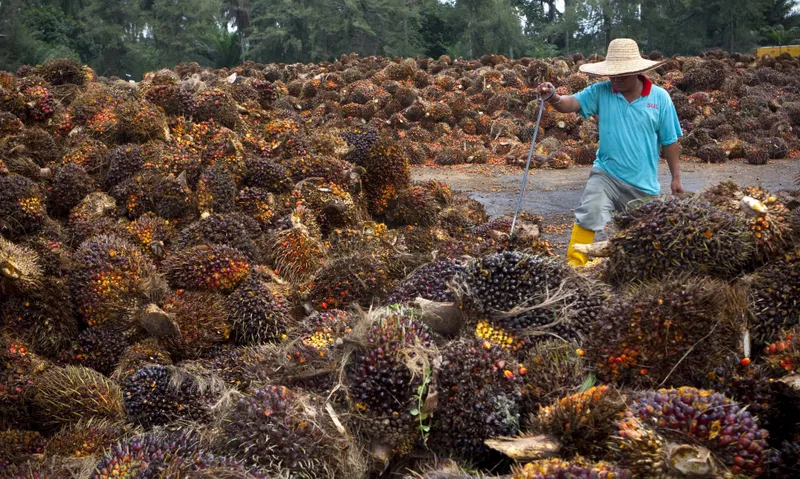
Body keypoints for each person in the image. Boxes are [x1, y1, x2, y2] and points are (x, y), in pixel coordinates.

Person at [536, 38, 684, 268]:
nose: (614, 80)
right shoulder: (601, 91)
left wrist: (676, 177)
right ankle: (575, 267)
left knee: (645, 237)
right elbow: (571, 103)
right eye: (611, 75)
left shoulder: (660, 98)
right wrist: (553, 97)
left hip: (643, 183)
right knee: (590, 211)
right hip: (606, 175)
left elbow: (670, 140)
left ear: (636, 72)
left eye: (621, 76)